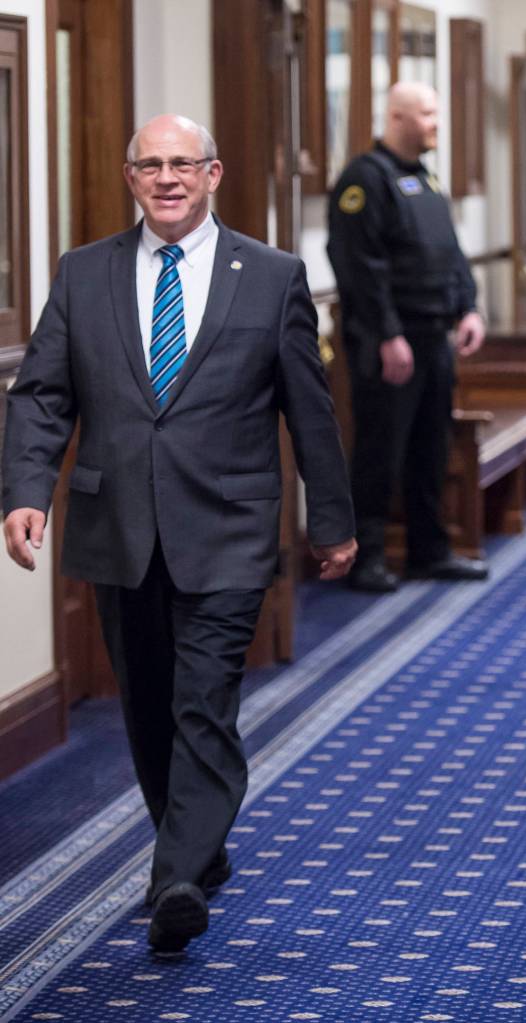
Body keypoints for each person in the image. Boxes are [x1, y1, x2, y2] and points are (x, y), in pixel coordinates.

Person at [1, 115, 357, 955]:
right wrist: (26, 492)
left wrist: (333, 519)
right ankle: (196, 838)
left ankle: (177, 877)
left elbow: (308, 407)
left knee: (205, 699)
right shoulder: (83, 273)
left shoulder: (271, 277)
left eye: (182, 164)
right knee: (149, 703)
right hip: (117, 524)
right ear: (132, 179)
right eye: (150, 165)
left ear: (213, 174)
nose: (167, 178)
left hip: (229, 525)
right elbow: (44, 393)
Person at [327, 81, 488, 593]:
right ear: (396, 117)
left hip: (434, 337)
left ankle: (429, 550)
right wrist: (387, 334)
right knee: (380, 450)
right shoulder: (364, 180)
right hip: (389, 343)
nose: (437, 122)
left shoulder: (425, 178)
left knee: (430, 447)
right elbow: (359, 268)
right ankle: (366, 557)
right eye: (427, 114)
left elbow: (449, 252)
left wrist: (469, 307)